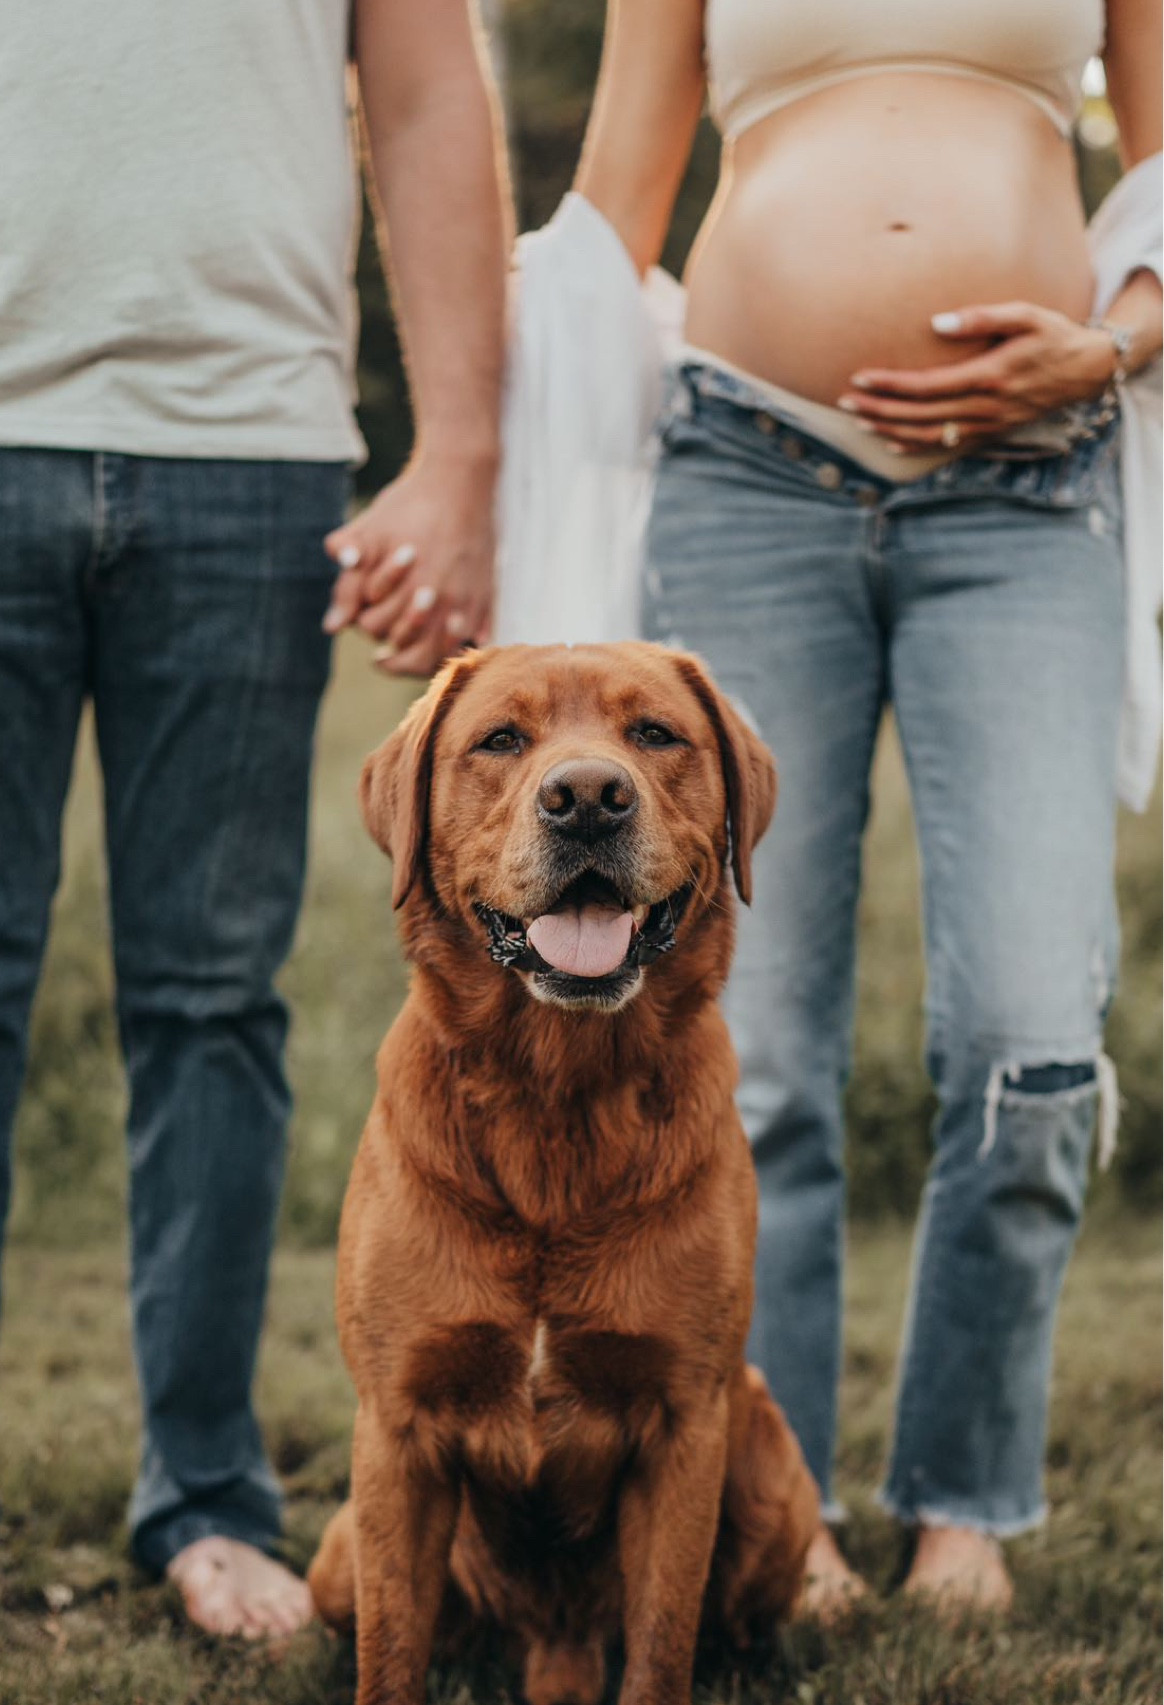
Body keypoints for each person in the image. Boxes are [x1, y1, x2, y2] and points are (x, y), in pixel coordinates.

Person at [0, 0, 506, 1675]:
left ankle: (208, 1496)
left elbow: (426, 97)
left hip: (252, 456)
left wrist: (462, 455)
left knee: (214, 1000)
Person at [571, 0, 1162, 1615]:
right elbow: (612, 214)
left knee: (1031, 1034)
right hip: (745, 477)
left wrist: (1111, 343)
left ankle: (964, 1502)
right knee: (749, 1053)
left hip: (1033, 486)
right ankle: (785, 1505)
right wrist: (494, 491)